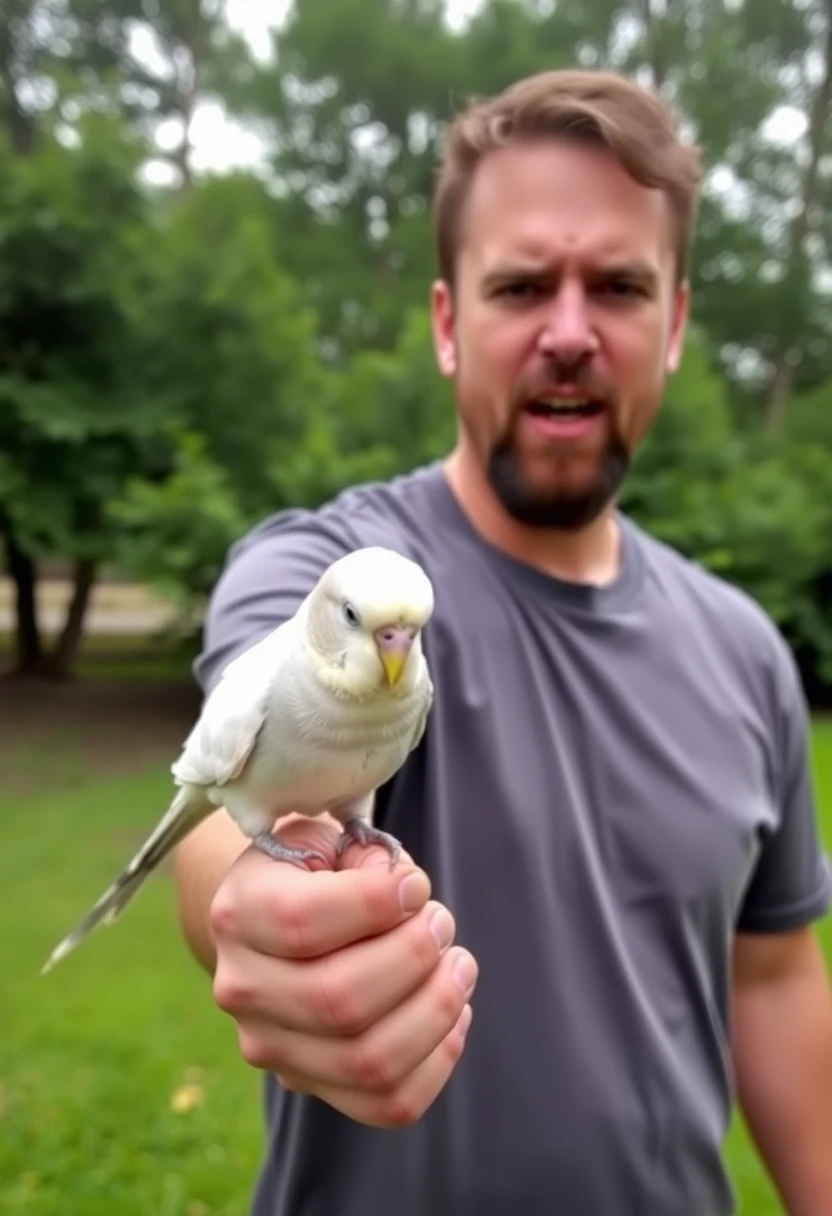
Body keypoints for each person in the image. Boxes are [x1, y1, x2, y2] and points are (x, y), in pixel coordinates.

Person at [173, 68, 832, 1216]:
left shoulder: (747, 653)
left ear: (674, 323)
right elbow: (227, 827)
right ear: (447, 323)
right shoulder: (319, 568)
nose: (568, 332)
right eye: (522, 283)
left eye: (619, 286)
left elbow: (774, 977)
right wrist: (262, 918)